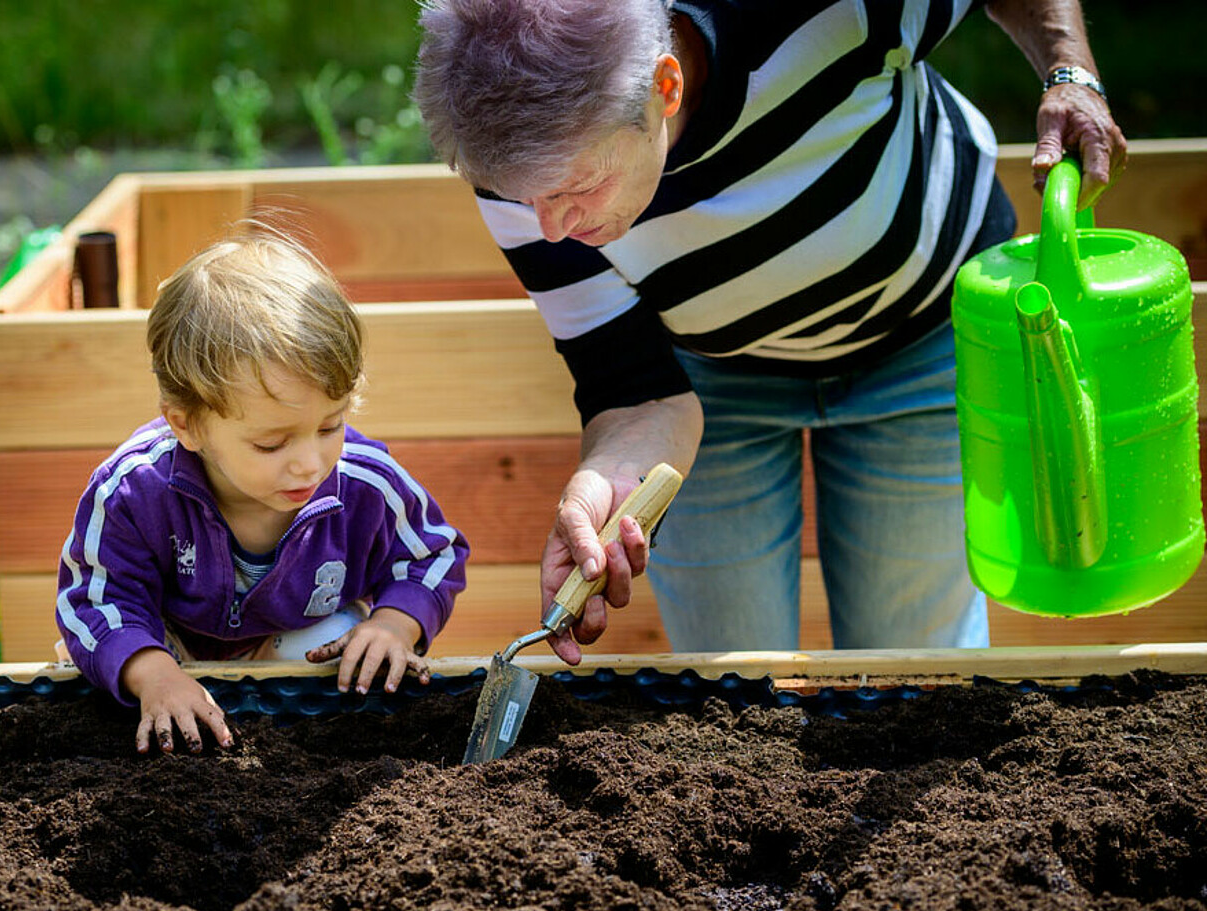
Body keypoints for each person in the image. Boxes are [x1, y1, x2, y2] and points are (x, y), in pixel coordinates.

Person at [412, 0, 1127, 663]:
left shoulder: (821, 10)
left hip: (921, 335)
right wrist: (599, 489)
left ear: (665, 88)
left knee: (913, 666)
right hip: (710, 373)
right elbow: (634, 389)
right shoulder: (519, 165)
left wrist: (1070, 72)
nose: (552, 229)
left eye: (578, 188)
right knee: (730, 691)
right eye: (524, 199)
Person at [56, 230, 470, 754]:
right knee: (102, 667)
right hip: (170, 653)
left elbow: (433, 552)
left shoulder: (367, 483)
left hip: (301, 656)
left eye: (330, 426)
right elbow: (96, 597)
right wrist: (153, 674)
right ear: (188, 426)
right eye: (272, 443)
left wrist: (395, 624)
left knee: (343, 647)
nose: (311, 462)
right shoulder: (134, 491)